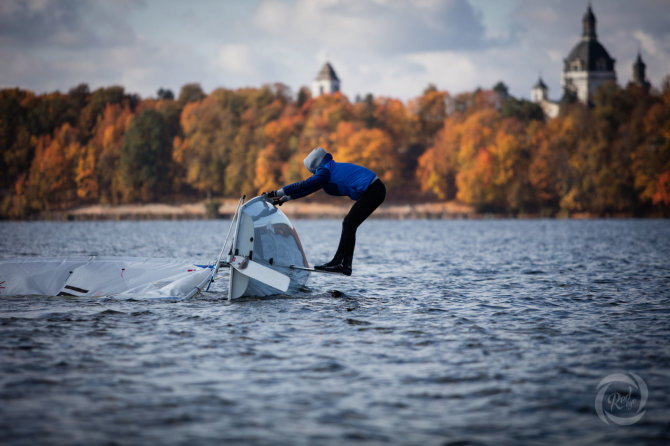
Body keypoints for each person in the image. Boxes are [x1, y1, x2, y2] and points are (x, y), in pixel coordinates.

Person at [263, 147, 386, 276]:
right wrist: (286, 198)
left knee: (349, 223)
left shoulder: (325, 172)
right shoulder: (328, 170)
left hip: (374, 190)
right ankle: (338, 262)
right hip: (375, 190)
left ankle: (345, 265)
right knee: (349, 223)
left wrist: (276, 193)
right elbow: (309, 189)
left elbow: (304, 184)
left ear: (314, 167)